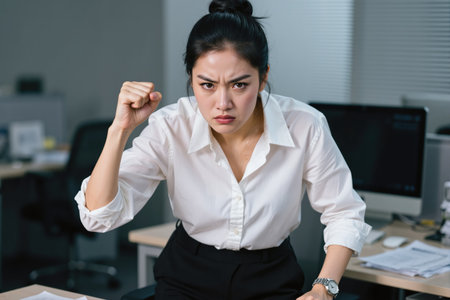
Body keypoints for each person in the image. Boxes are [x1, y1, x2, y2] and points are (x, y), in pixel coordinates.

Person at [75, 0, 371, 299]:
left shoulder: (305, 125)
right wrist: (119, 130)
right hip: (187, 274)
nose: (223, 103)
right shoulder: (171, 125)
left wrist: (324, 288)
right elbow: (99, 216)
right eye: (207, 85)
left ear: (263, 76)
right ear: (191, 77)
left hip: (269, 277)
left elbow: (344, 212)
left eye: (239, 85)